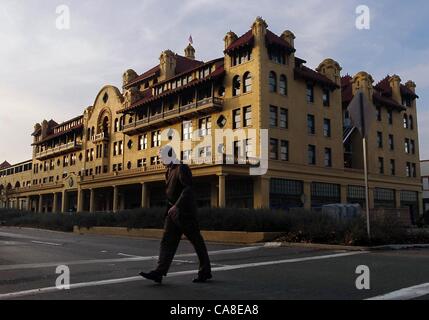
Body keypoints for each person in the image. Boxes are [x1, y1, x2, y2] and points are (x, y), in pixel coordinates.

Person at [139, 146, 212, 284]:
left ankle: (205, 271)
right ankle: (159, 273)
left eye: (161, 157)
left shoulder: (182, 168)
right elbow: (170, 195)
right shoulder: (168, 171)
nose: (159, 160)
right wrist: (168, 211)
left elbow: (188, 188)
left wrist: (177, 205)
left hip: (185, 213)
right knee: (167, 242)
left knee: (197, 242)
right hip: (172, 214)